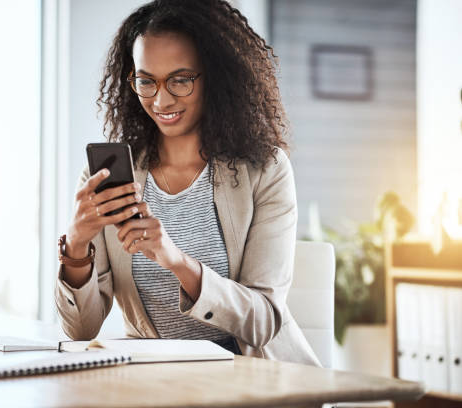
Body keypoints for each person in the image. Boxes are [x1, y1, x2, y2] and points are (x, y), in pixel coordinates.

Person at [55, 0, 320, 366]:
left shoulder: (265, 170)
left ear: (215, 75)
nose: (161, 100)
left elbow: (263, 322)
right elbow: (80, 331)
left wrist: (176, 260)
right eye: (146, 81)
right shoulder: (110, 177)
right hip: (160, 383)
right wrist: (77, 246)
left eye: (180, 80)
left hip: (256, 380)